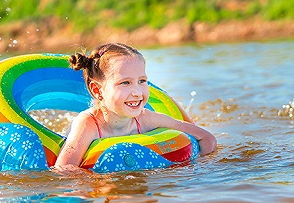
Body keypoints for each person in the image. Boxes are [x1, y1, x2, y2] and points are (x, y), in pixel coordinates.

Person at [54, 42, 217, 170]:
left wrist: (200, 168)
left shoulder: (145, 118)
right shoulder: (88, 125)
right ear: (97, 90)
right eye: (125, 83)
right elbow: (64, 168)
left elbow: (206, 138)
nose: (137, 92)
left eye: (142, 81)